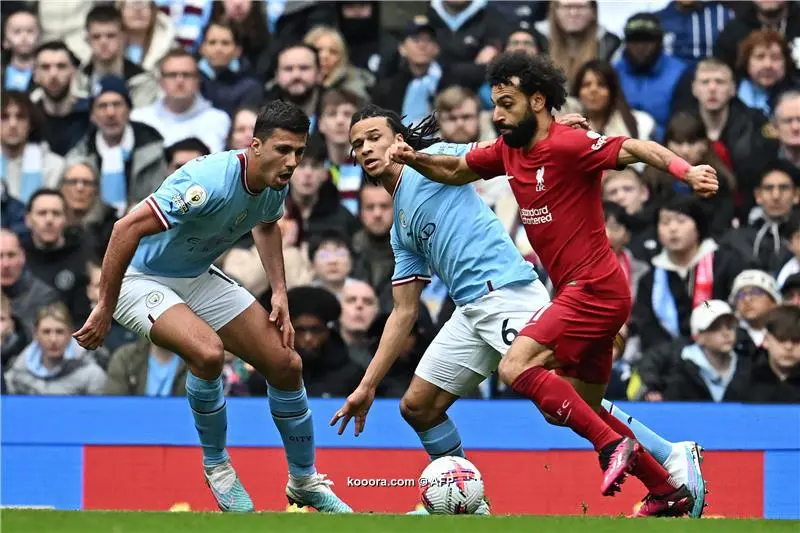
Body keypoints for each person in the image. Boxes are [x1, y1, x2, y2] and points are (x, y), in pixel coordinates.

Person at [382, 52, 718, 517]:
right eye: (495, 104)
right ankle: (668, 490)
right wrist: (414, 157)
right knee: (580, 406)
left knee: (516, 367)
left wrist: (687, 172)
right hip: (587, 293)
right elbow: (454, 170)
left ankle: (612, 447)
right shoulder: (507, 150)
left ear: (537, 100)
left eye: (507, 103)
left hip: (594, 289)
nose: (497, 115)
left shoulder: (569, 145)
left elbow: (636, 148)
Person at [72, 100, 352, 514]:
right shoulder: (206, 182)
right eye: (283, 150)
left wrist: (278, 291)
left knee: (286, 364)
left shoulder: (276, 182)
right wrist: (103, 306)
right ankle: (218, 466)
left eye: (299, 151)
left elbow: (268, 223)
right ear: (255, 145)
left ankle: (304, 481)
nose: (292, 161)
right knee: (207, 352)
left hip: (196, 276)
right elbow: (125, 227)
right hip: (140, 278)